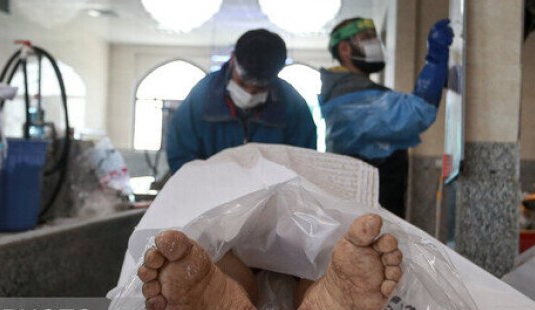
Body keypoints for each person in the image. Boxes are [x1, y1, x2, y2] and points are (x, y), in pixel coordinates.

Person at [137, 212, 403, 310]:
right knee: (318, 256)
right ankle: (316, 296)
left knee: (223, 253)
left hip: (236, 202)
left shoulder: (192, 114)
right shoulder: (296, 112)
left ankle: (327, 294)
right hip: (304, 220)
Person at [319, 17, 454, 217]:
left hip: (373, 209)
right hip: (364, 216)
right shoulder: (348, 96)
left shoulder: (359, 91)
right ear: (345, 49)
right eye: (366, 38)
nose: (375, 44)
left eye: (375, 38)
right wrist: (435, 60)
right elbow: (415, 113)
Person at [166, 29, 317, 173]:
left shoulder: (292, 105)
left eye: (260, 88)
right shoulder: (202, 96)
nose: (250, 92)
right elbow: (181, 156)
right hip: (210, 194)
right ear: (232, 58)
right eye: (243, 83)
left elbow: (304, 162)